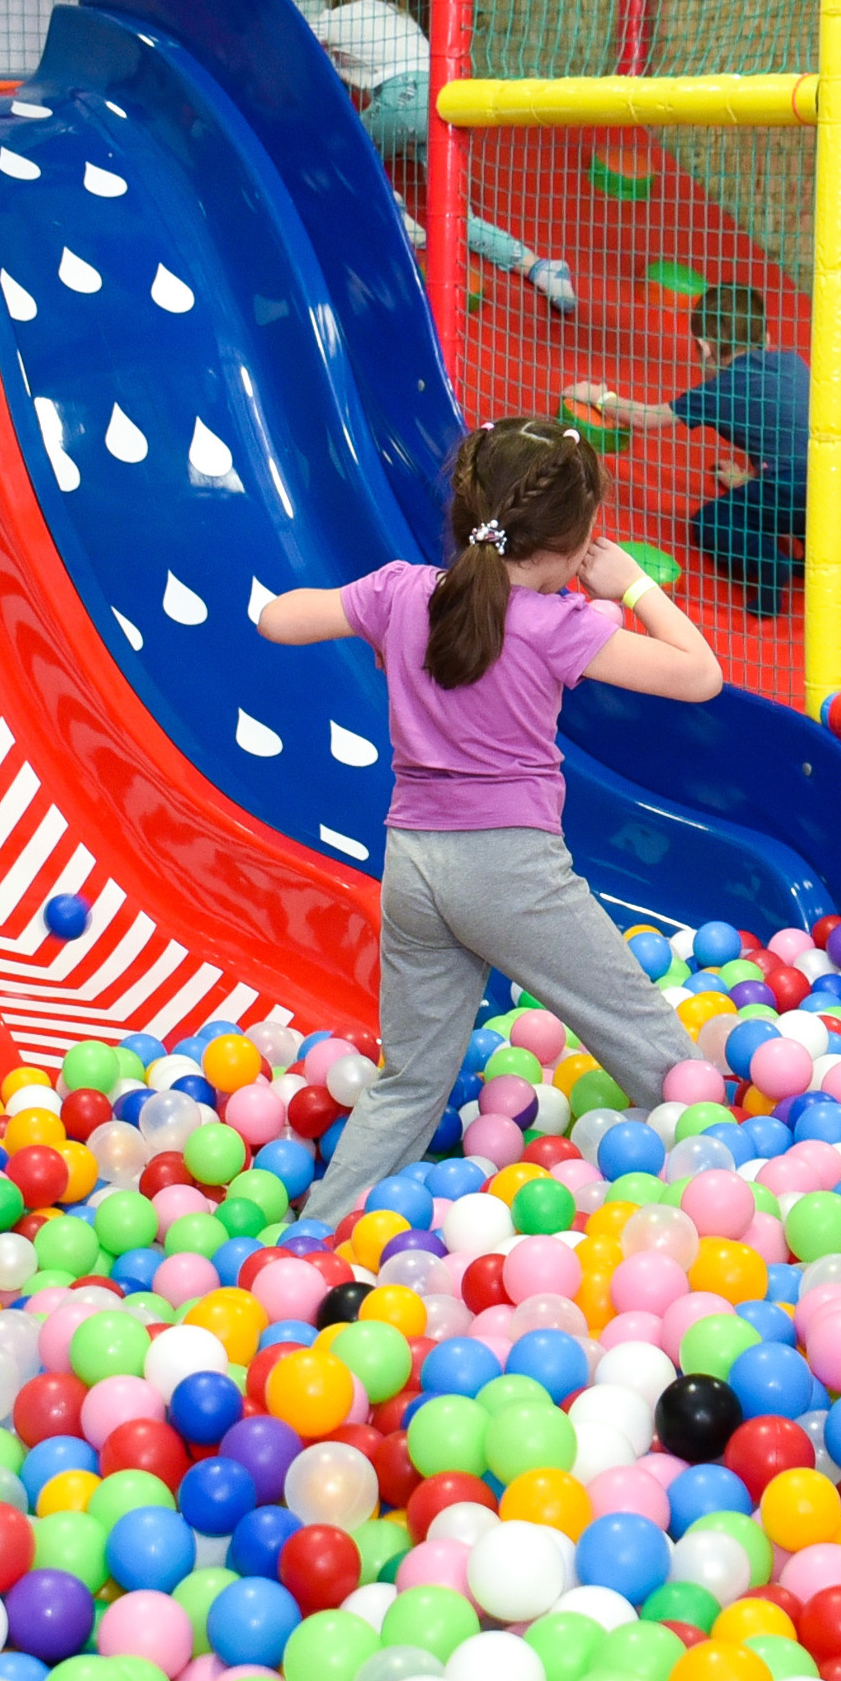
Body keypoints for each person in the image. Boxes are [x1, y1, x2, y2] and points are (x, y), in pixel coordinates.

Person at [258, 416, 723, 1220]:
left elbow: (277, 619)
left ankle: (316, 1239)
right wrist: (633, 587)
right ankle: (722, 1196)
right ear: (575, 541)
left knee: (409, 1082)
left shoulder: (404, 592)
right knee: (657, 1050)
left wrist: (382, 632)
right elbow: (701, 675)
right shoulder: (559, 625)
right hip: (509, 871)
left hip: (413, 866)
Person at [562, 283, 841, 619]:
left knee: (714, 521)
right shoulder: (791, 362)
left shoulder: (718, 390)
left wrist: (599, 396)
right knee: (807, 492)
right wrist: (749, 479)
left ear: (704, 348)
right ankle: (813, 556)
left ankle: (771, 565)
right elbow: (794, 431)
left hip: (799, 488)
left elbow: (645, 417)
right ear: (766, 337)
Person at [309, 0, 576, 317]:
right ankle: (541, 267)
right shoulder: (400, 18)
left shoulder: (340, 17)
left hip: (404, 97)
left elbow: (299, 42)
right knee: (456, 216)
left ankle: (392, 209)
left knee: (339, 149)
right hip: (443, 102)